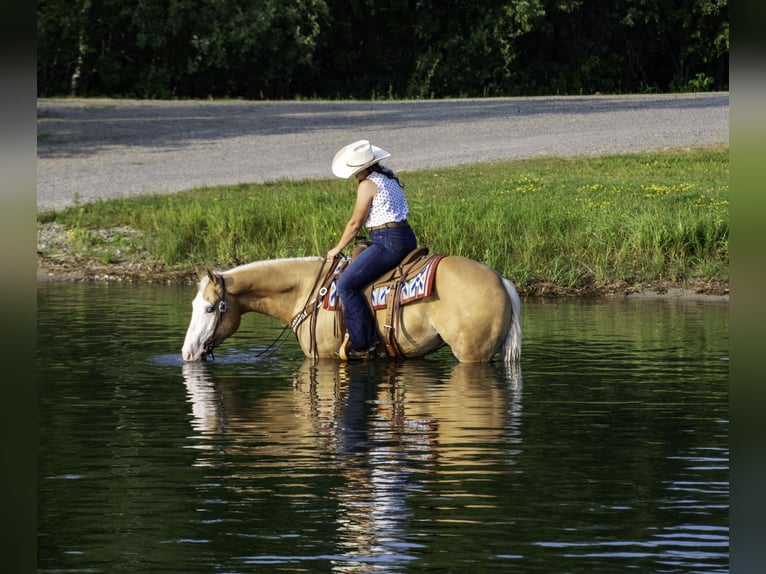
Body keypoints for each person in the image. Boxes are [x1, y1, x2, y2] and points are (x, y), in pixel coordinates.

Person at [327, 139, 417, 359]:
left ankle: (363, 343)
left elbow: (355, 223)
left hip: (387, 241)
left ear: (361, 168)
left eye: (355, 171)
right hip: (406, 237)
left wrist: (336, 248)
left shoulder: (367, 185)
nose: (354, 175)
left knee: (346, 285)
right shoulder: (388, 176)